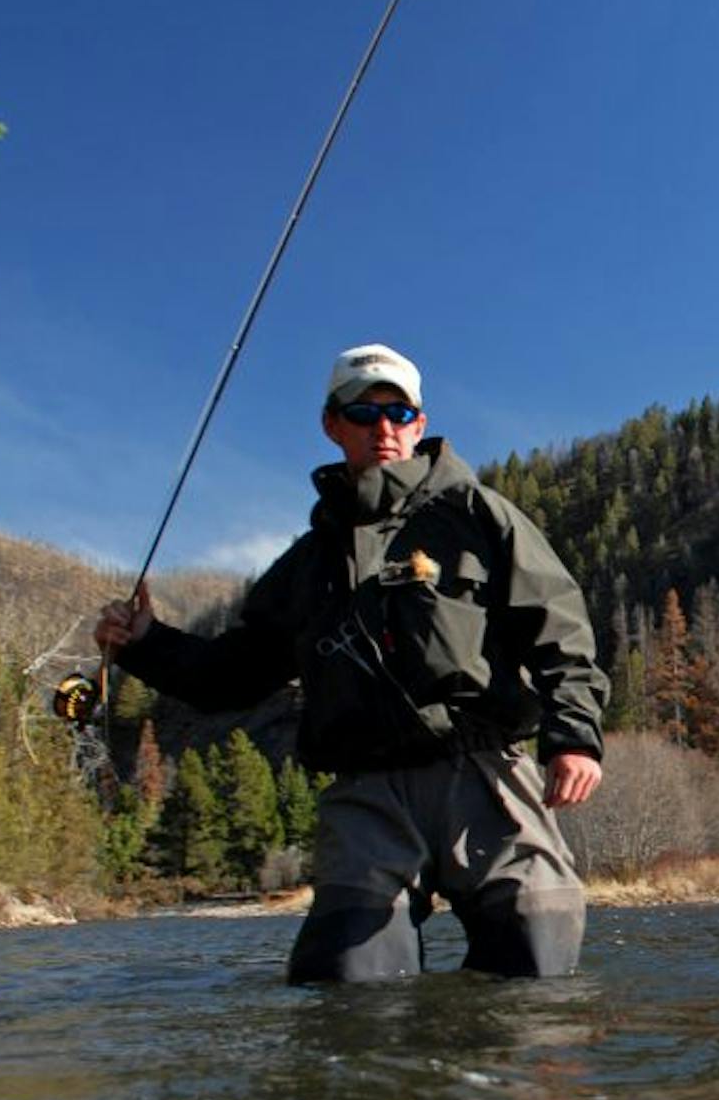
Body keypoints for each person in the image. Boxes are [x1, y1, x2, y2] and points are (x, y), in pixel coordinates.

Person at [97, 343, 607, 983]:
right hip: (367, 794)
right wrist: (145, 643)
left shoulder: (481, 516)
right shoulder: (306, 565)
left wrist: (575, 738)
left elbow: (559, 626)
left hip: (484, 775)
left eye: (399, 412)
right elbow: (233, 673)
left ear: (420, 425)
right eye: (364, 412)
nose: (384, 428)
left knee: (537, 957)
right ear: (332, 425)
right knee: (347, 983)